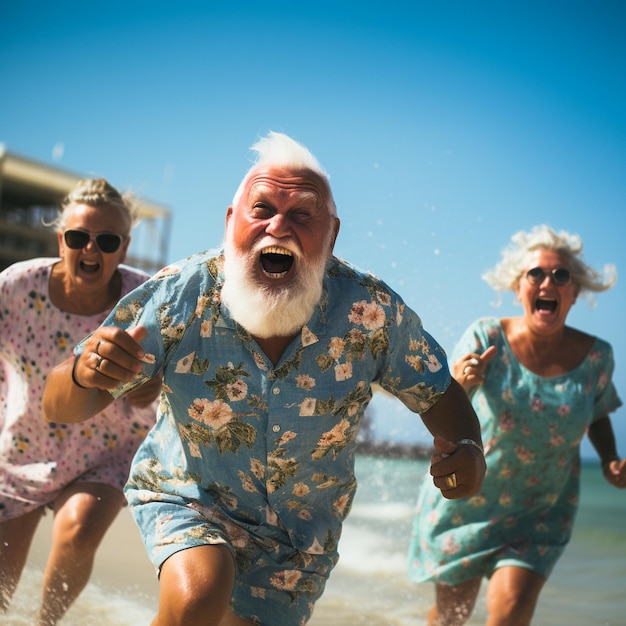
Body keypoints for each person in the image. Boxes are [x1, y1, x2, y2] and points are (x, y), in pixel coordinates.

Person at [42, 131, 486, 626]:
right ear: (231, 222)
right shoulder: (181, 295)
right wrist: (85, 373)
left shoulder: (371, 312)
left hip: (300, 538)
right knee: (198, 597)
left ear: (332, 234)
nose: (279, 226)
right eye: (262, 209)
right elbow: (58, 405)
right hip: (190, 498)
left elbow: (439, 393)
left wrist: (469, 446)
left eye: (302, 215)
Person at [408, 224, 626, 626]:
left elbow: (596, 410)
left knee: (510, 616)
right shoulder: (486, 336)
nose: (548, 282)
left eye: (561, 276)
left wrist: (611, 458)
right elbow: (446, 404)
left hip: (539, 512)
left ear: (574, 292)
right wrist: (463, 380)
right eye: (536, 274)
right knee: (449, 620)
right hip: (468, 498)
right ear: (519, 289)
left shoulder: (597, 357)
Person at [0, 178, 160, 625]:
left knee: (77, 532)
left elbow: (156, 386)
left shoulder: (143, 301)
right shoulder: (15, 286)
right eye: (78, 237)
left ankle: (46, 624)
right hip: (23, 445)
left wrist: (148, 387)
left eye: (106, 241)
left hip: (108, 449)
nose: (91, 249)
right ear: (61, 239)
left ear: (124, 248)